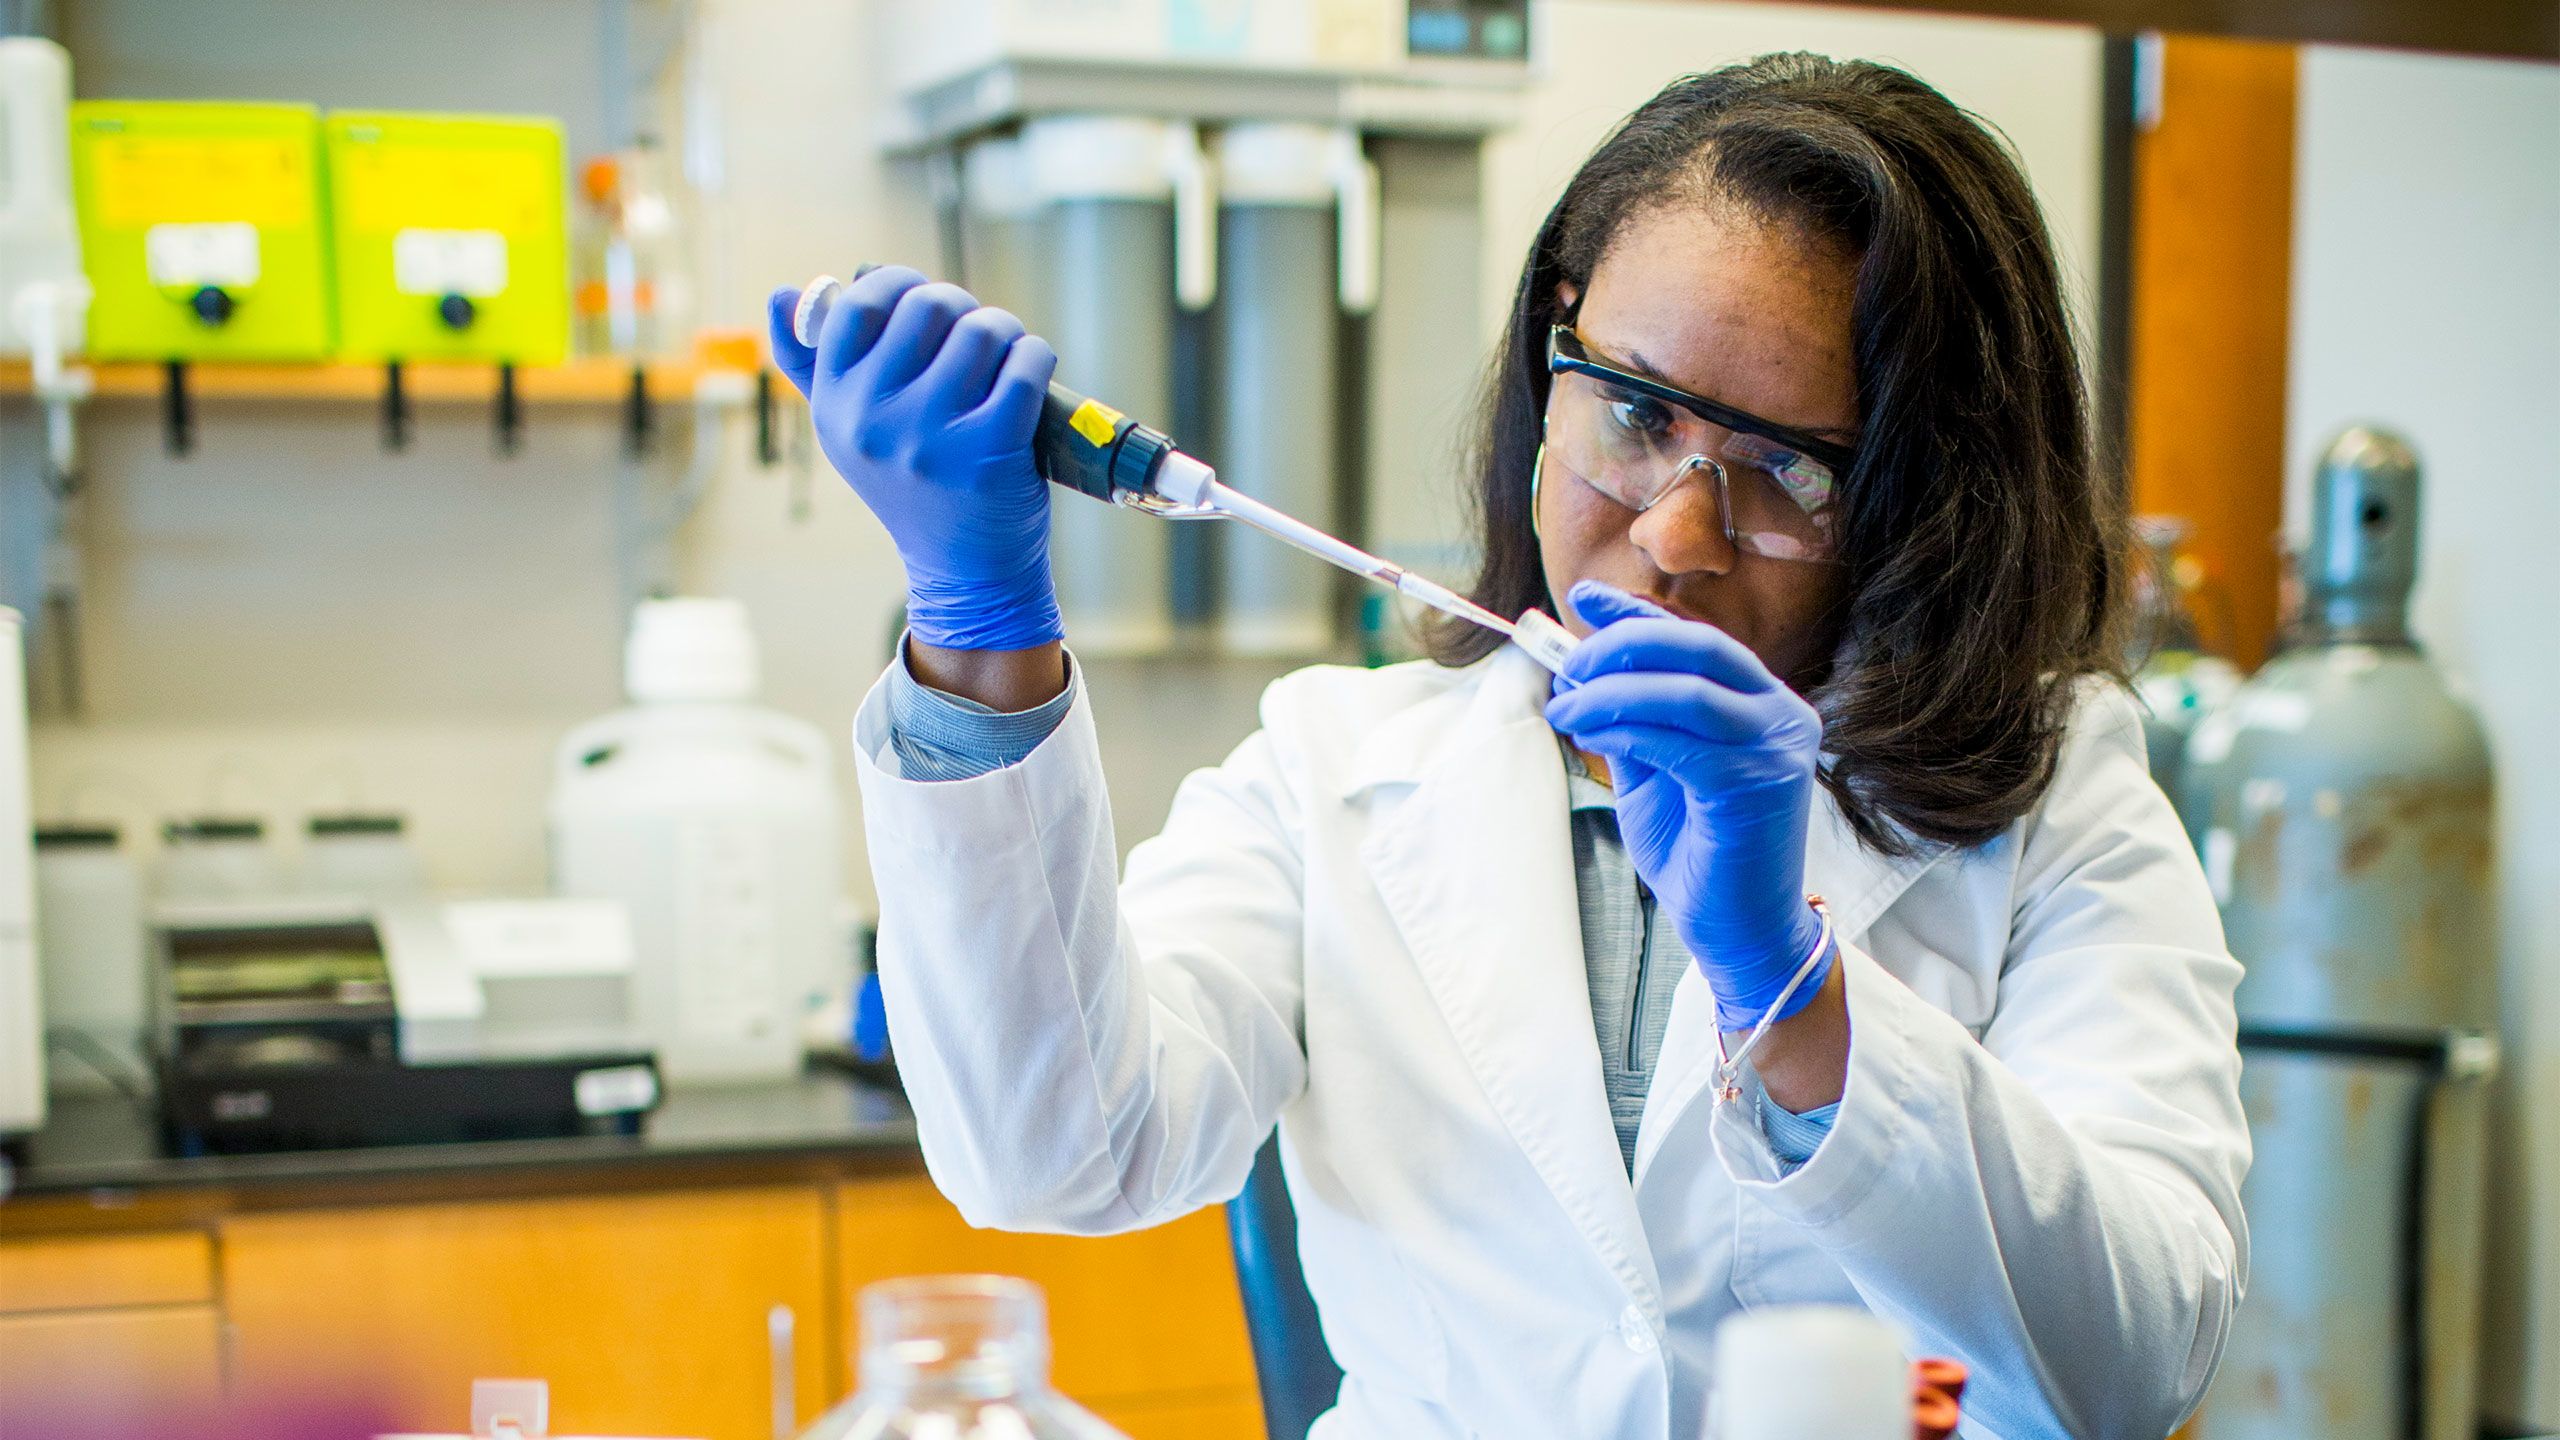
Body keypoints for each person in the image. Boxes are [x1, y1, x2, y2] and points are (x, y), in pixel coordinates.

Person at [769, 52, 2246, 1440]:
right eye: (1640, 411)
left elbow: (2130, 1360)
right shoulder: (1334, 767)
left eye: (1787, 470)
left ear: (1933, 504)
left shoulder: (2059, 797)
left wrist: (1796, 994)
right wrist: (977, 629)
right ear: (1557, 355)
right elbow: (1058, 1152)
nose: (1673, 536)